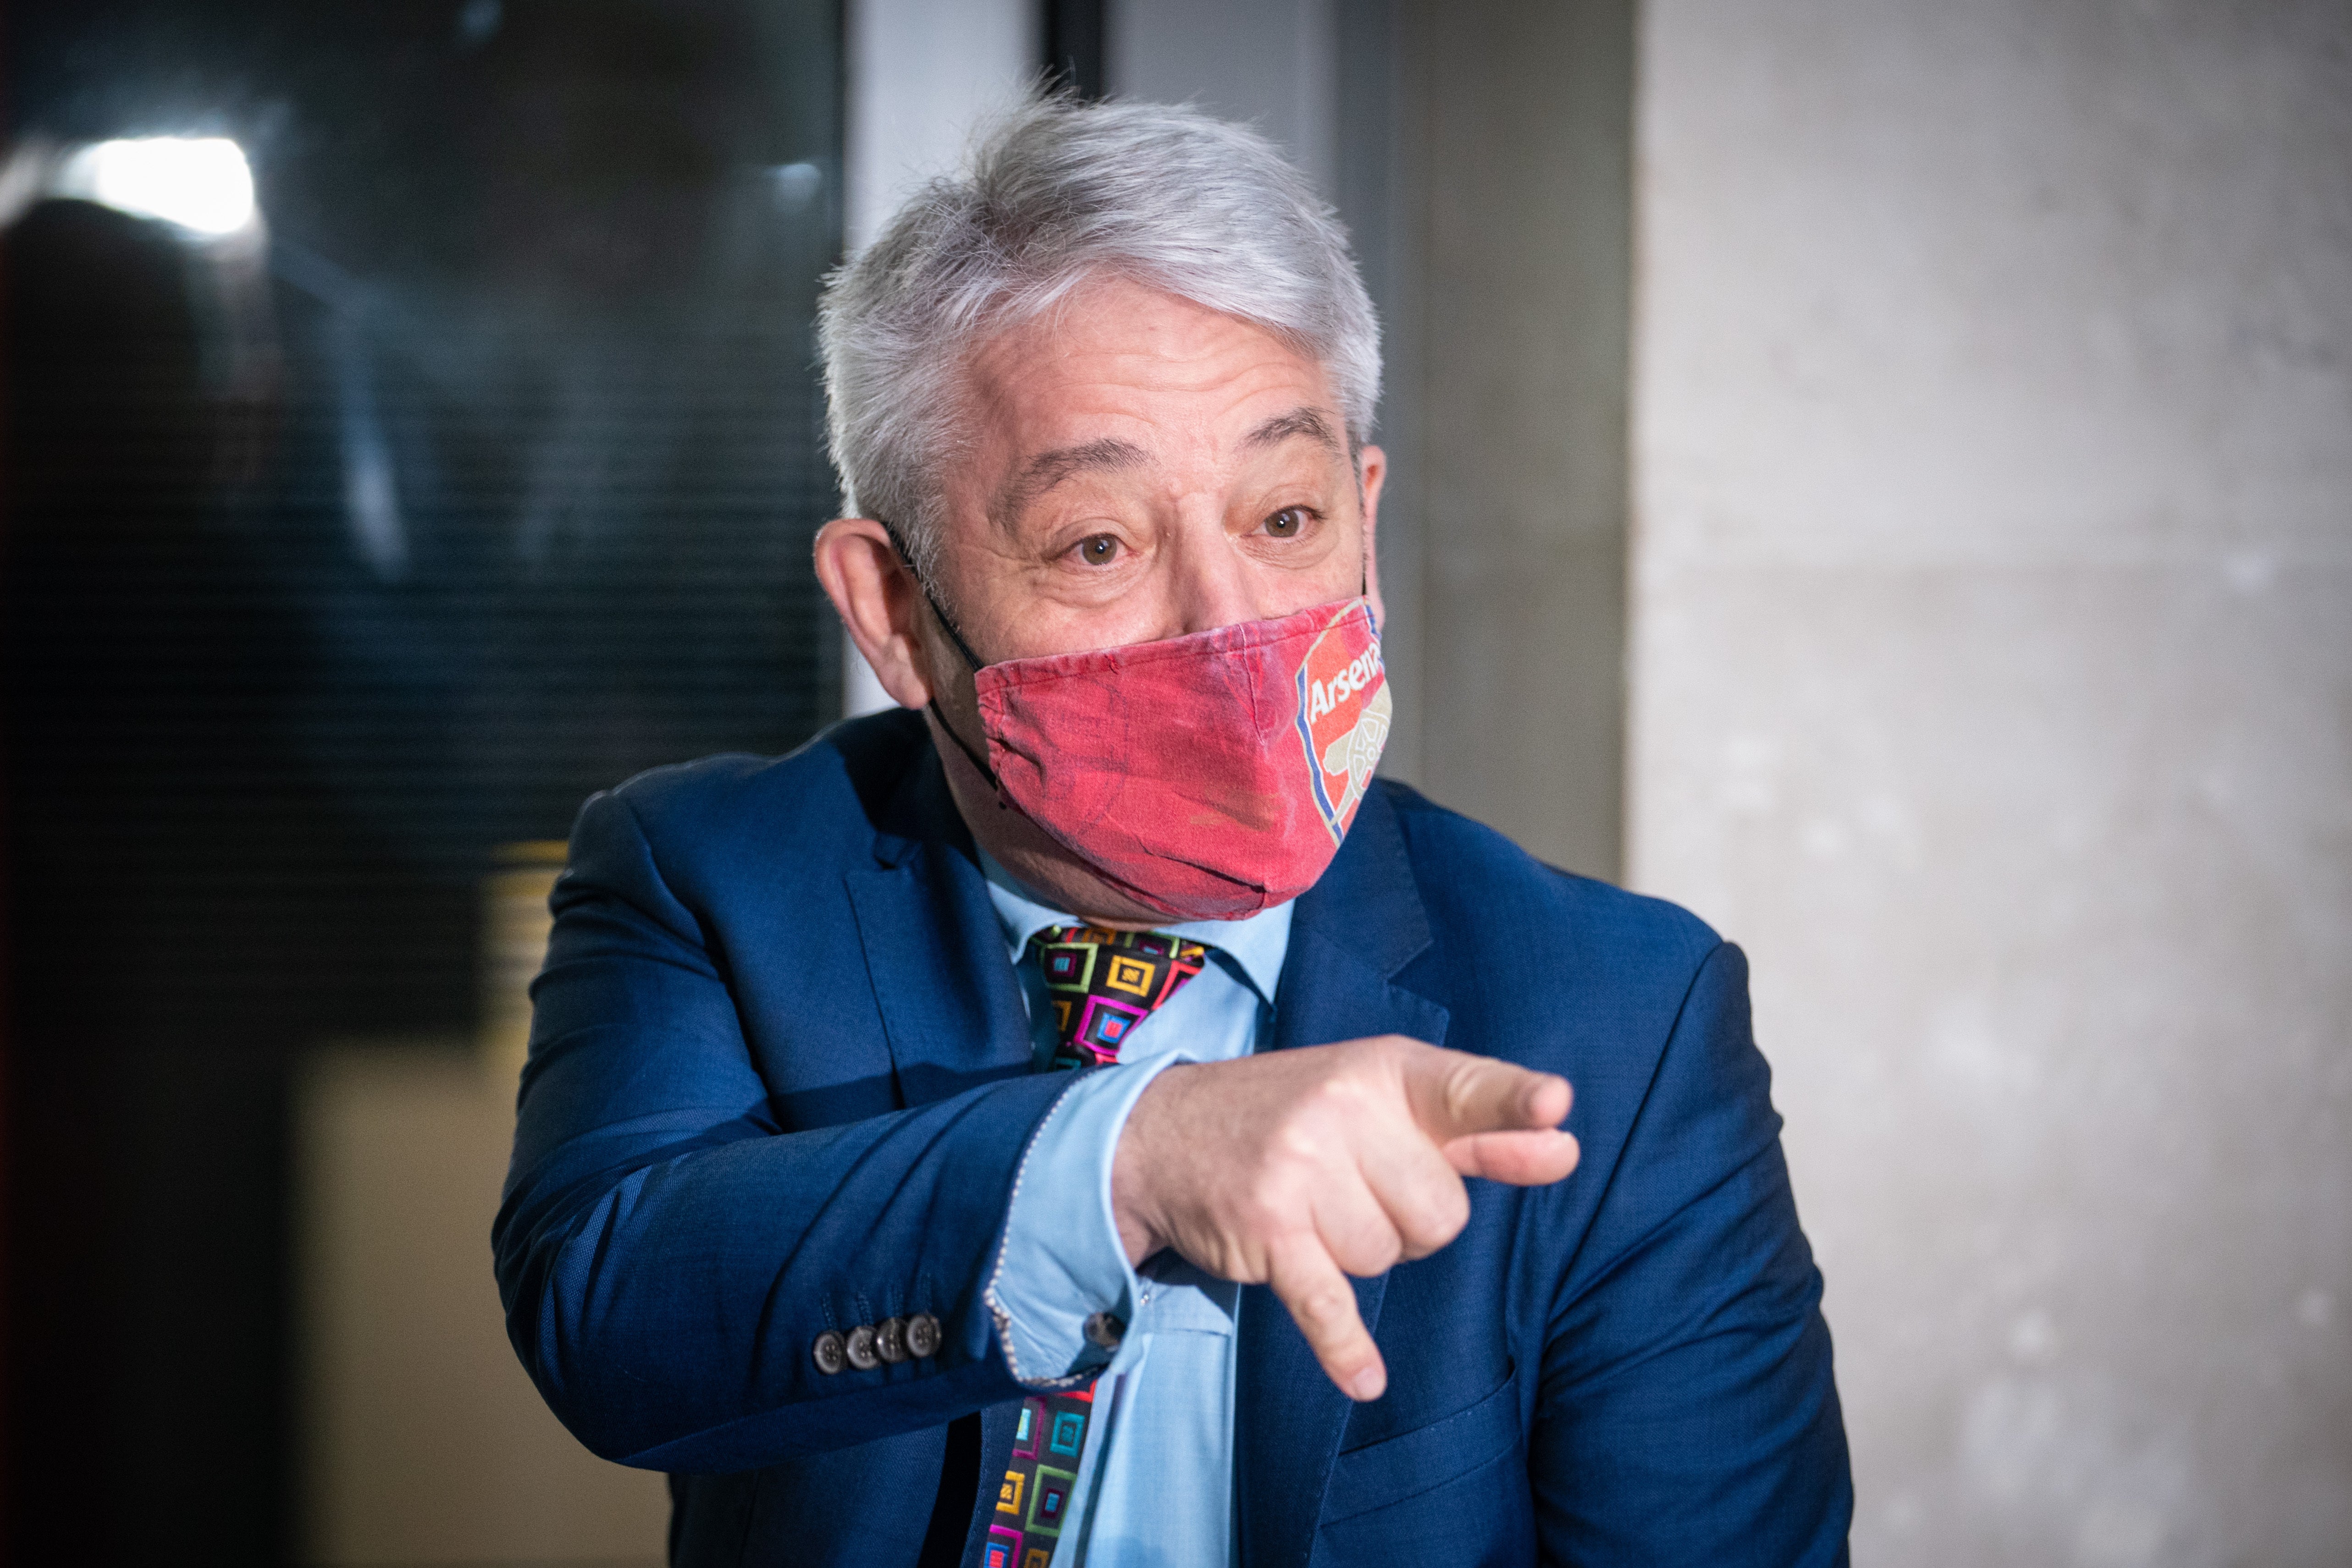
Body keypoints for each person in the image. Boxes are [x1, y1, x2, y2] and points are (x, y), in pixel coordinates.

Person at [494, 97, 1850, 1567]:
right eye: (1098, 544)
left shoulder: (1618, 1018)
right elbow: (612, 1313)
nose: (1228, 628)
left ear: (1365, 519)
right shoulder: (712, 874)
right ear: (893, 612)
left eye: (1283, 519)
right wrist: (1131, 1157)